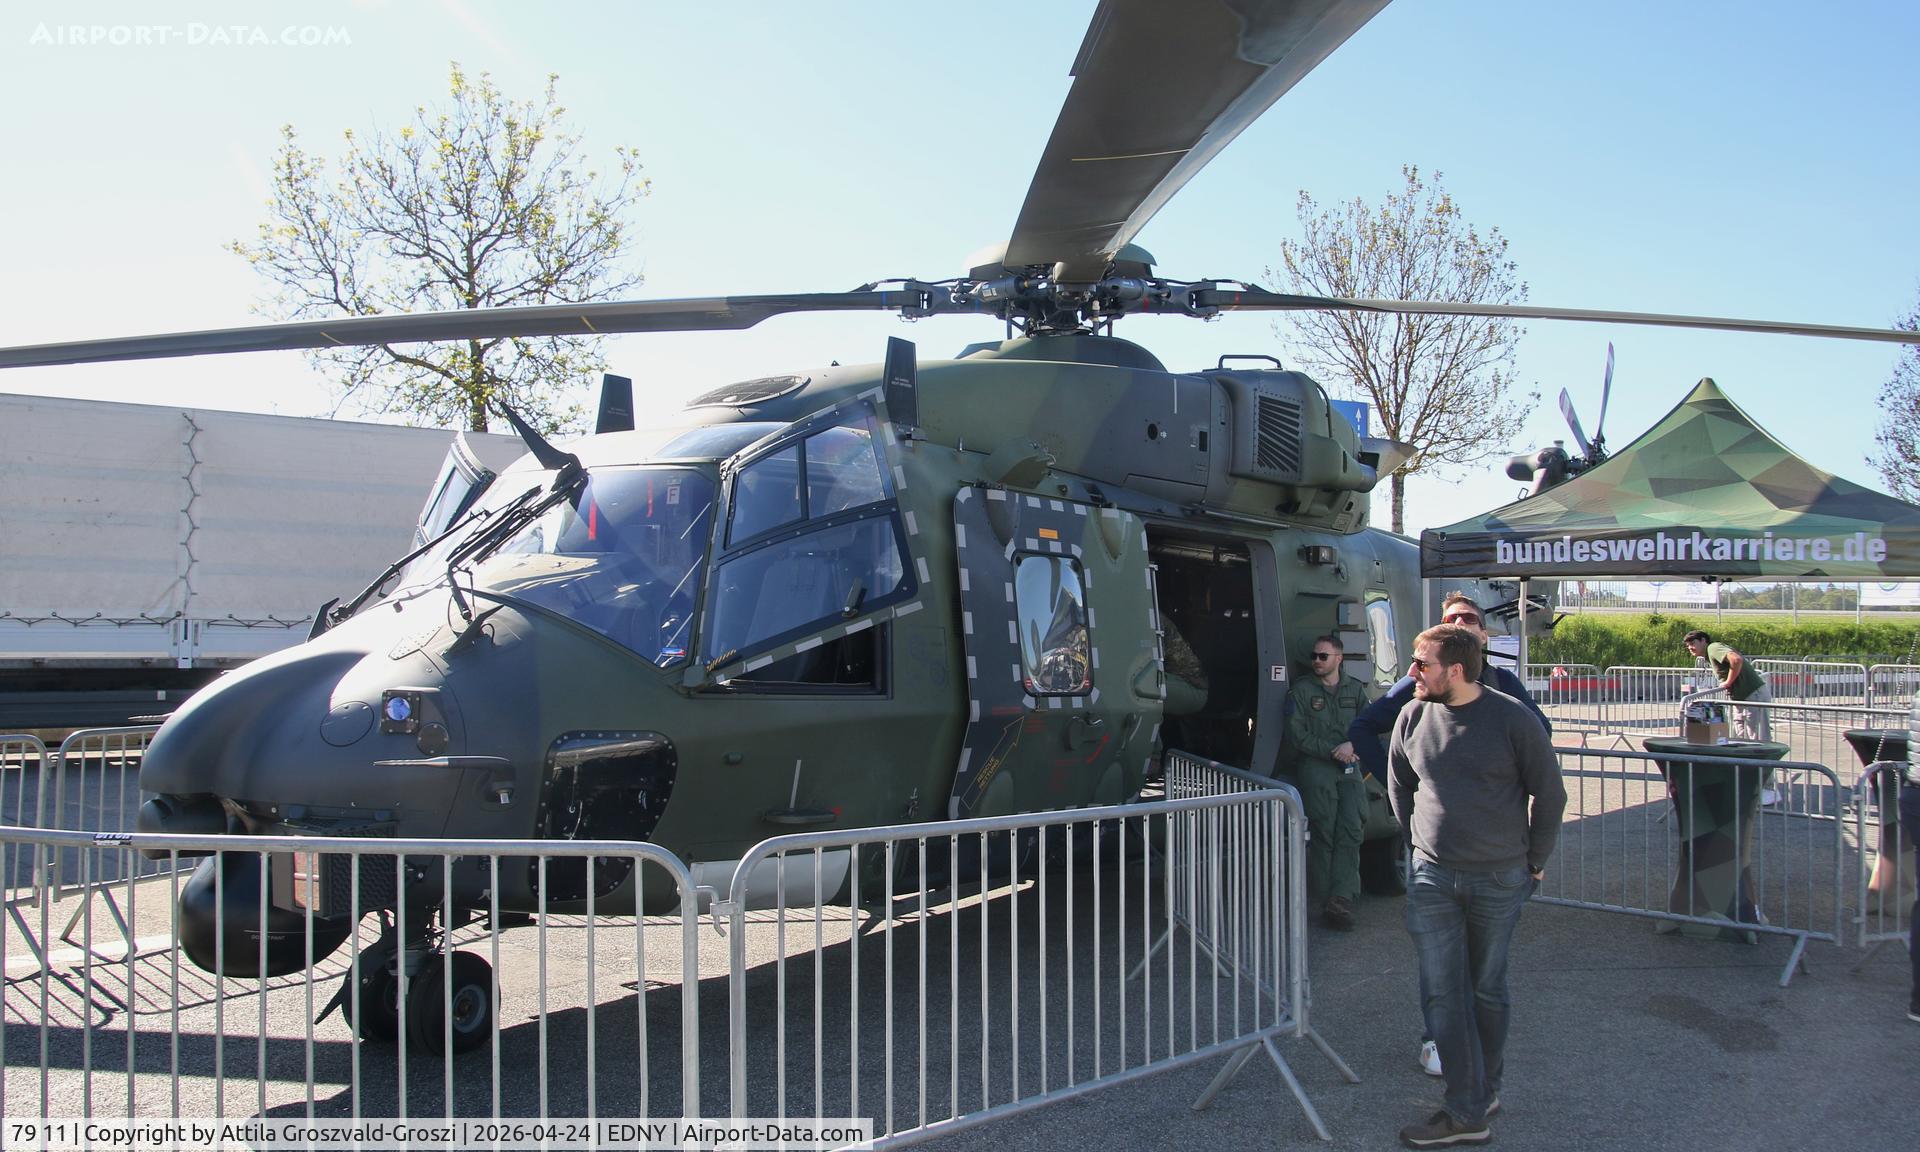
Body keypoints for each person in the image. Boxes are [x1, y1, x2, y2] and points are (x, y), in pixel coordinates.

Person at [1340, 591, 1551, 1077]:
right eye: (1454, 618)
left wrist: (1533, 859)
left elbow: (1544, 761)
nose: (1464, 623)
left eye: (1471, 619)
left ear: (1481, 633)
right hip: (1434, 862)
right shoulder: (1417, 697)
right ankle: (1437, 1041)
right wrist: (1411, 817)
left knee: (1485, 974)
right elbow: (1370, 731)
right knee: (1438, 967)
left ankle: (1482, 1071)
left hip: (1496, 863)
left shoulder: (1506, 691)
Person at [1389, 624, 1566, 1149]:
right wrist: (1418, 844)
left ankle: (1483, 1091)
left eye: (1423, 664)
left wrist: (1534, 861)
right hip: (1433, 877)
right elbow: (1400, 783)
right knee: (1443, 991)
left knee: (1487, 987)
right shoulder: (1412, 715)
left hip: (1499, 877)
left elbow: (1550, 795)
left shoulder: (1513, 719)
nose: (1412, 672)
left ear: (1457, 670)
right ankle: (1467, 1107)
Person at [1283, 634, 1372, 929]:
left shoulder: (1355, 690)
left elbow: (1368, 725)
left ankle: (1342, 896)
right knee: (1324, 832)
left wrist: (1352, 747)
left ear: (1339, 658)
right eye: (1314, 656)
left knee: (1352, 829)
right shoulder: (1301, 692)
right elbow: (1297, 735)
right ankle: (1328, 900)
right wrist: (1333, 751)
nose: (1317, 661)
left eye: (1323, 656)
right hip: (1318, 768)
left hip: (1350, 767)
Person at [1682, 630, 1771, 742]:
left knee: (1757, 738)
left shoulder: (1713, 648)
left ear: (1703, 640)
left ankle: (1761, 759)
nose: (1690, 647)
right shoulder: (1709, 654)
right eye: (1688, 645)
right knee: (1741, 735)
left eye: (1693, 643)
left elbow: (1736, 659)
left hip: (1752, 694)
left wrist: (1728, 682)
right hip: (1741, 698)